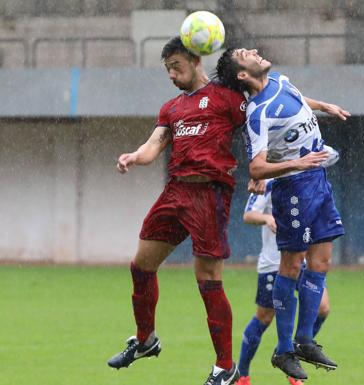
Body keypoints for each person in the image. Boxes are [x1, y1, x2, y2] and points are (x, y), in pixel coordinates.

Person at [106, 37, 249, 385]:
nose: (171, 74)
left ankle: (225, 367)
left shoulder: (228, 99)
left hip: (209, 194)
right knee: (141, 265)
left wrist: (264, 170)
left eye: (176, 66)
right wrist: (133, 157)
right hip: (175, 192)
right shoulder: (172, 108)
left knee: (208, 281)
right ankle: (145, 340)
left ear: (196, 60)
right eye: (167, 68)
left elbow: (259, 126)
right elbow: (153, 145)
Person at [215, 47, 350, 381]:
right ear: (242, 75)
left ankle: (305, 339)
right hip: (294, 187)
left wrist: (323, 106)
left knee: (321, 262)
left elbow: (299, 100)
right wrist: (296, 163)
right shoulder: (257, 113)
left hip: (318, 179)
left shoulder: (280, 80)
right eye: (246, 53)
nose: (256, 51)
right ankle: (283, 350)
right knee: (291, 265)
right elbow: (257, 168)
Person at [237, 178, 331, 385]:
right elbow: (248, 215)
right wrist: (266, 218)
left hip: (303, 261)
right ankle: (241, 374)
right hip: (274, 263)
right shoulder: (269, 182)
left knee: (323, 308)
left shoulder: (311, 178)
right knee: (264, 318)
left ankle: (290, 354)